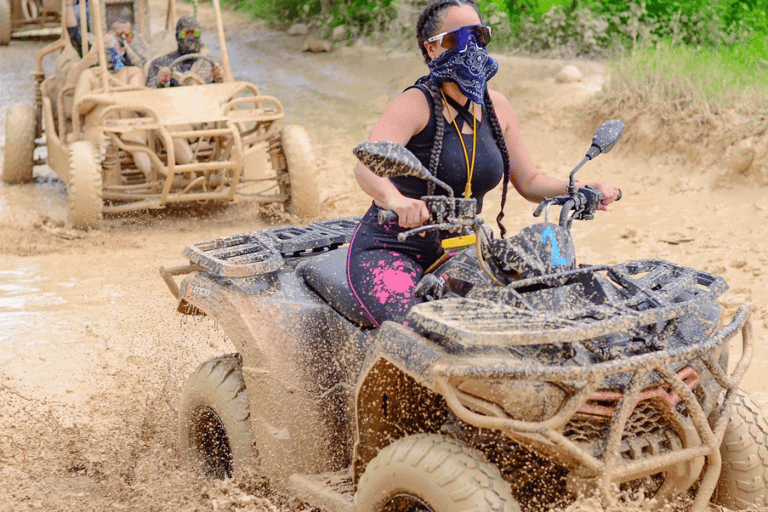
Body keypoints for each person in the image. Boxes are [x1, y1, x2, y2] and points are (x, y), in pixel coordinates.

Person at [346, 0, 621, 327]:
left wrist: (581, 188)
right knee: (419, 329)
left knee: (524, 308)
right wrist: (397, 200)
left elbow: (530, 181)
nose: (471, 47)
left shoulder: (498, 107)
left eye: (478, 35)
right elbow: (365, 165)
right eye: (456, 38)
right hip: (393, 249)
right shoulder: (414, 104)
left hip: (464, 248)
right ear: (431, 47)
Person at [145, 15, 224, 88]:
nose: (190, 38)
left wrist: (219, 80)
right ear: (177, 37)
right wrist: (159, 82)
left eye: (194, 33)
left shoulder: (213, 65)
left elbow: (225, 93)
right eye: (186, 34)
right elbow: (148, 95)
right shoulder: (160, 64)